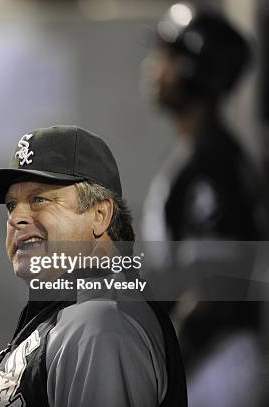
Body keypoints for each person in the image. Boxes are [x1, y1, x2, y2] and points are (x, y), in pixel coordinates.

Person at [0, 125, 187, 407]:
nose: (16, 219)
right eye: (11, 205)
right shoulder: (72, 312)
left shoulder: (101, 323)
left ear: (100, 214)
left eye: (39, 199)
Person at [142, 4, 265, 406]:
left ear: (196, 71)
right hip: (207, 361)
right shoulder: (201, 154)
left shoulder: (215, 164)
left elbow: (213, 291)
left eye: (167, 58)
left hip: (216, 367)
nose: (152, 68)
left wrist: (162, 367)